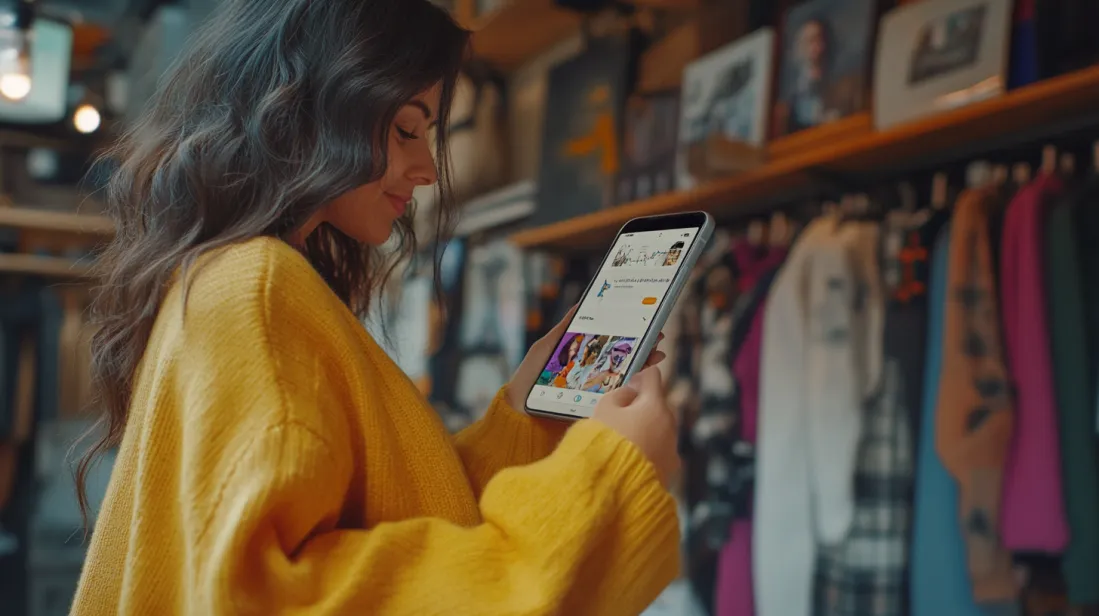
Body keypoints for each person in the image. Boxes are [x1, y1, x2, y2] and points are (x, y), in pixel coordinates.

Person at [70, 1, 681, 614]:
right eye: (405, 130)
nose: (424, 170)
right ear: (314, 106)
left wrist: (524, 417)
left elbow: (397, 520)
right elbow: (266, 598)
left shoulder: (242, 279)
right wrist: (612, 478)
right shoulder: (256, 287)